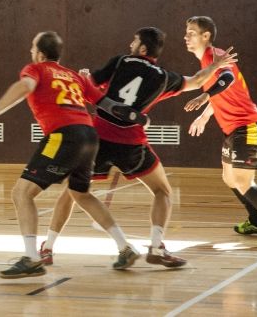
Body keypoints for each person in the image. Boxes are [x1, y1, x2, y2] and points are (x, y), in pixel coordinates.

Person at [41, 27, 237, 268]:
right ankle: (156, 247)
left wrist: (83, 77)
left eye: (134, 41)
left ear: (142, 48)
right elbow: (197, 80)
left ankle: (48, 248)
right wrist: (216, 65)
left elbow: (89, 85)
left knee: (72, 191)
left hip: (99, 137)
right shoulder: (164, 77)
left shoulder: (121, 61)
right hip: (131, 142)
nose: (130, 45)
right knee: (163, 191)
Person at [0, 31, 141, 278]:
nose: (30, 51)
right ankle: (125, 247)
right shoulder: (74, 76)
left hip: (63, 136)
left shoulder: (36, 69)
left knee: (21, 193)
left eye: (32, 47)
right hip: (89, 136)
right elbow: (107, 104)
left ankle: (31, 258)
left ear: (40, 54)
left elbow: (25, 86)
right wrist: (135, 116)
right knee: (81, 194)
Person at [184, 16, 257, 246]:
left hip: (247, 125)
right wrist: (204, 116)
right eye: (186, 32)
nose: (186, 37)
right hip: (232, 129)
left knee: (243, 181)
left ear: (206, 36)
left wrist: (204, 95)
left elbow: (228, 79)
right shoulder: (206, 61)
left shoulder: (215, 56)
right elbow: (223, 93)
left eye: (191, 32)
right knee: (229, 178)